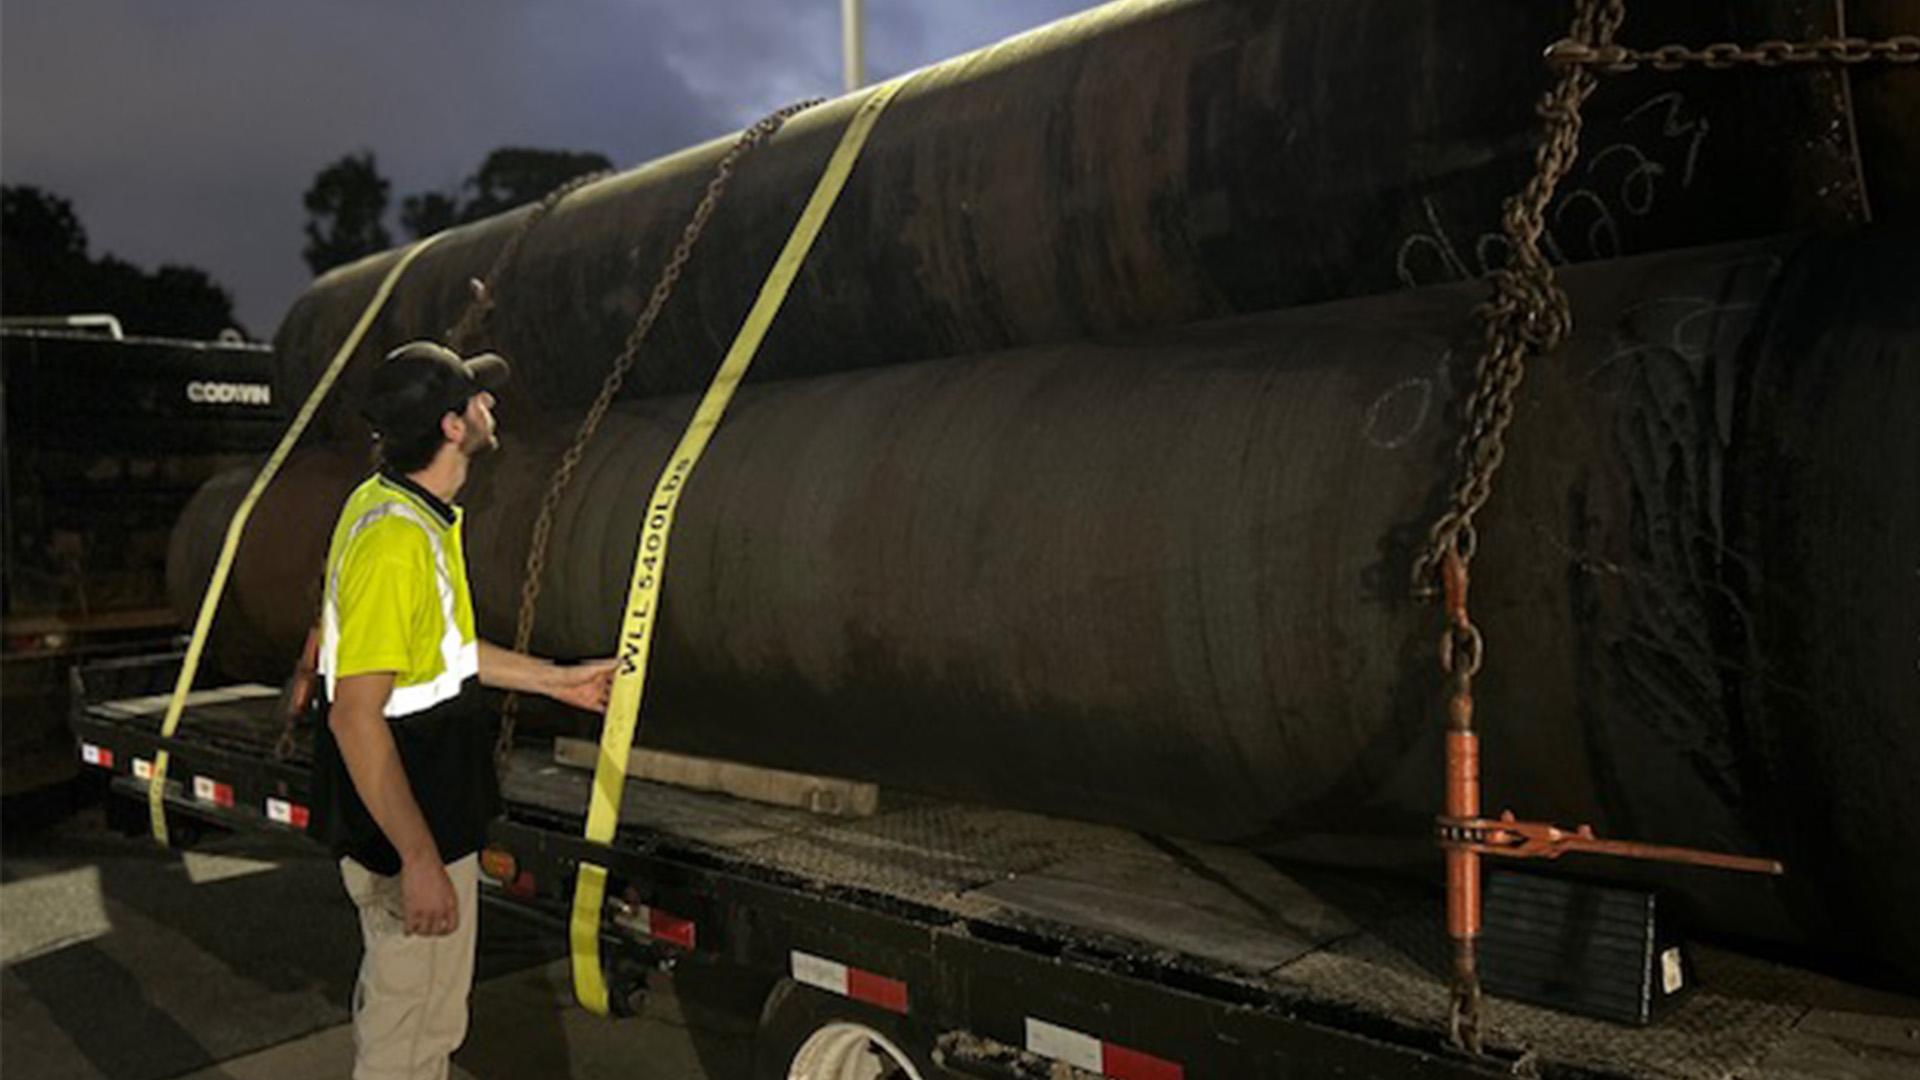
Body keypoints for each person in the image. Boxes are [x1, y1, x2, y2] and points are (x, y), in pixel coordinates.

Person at [311, 339, 614, 1080]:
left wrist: (555, 679)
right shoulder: (394, 541)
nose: (490, 406)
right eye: (477, 398)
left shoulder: (407, 510)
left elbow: (443, 647)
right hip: (404, 823)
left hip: (431, 809)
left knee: (432, 1023)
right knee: (403, 1031)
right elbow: (356, 715)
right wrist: (417, 859)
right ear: (452, 428)